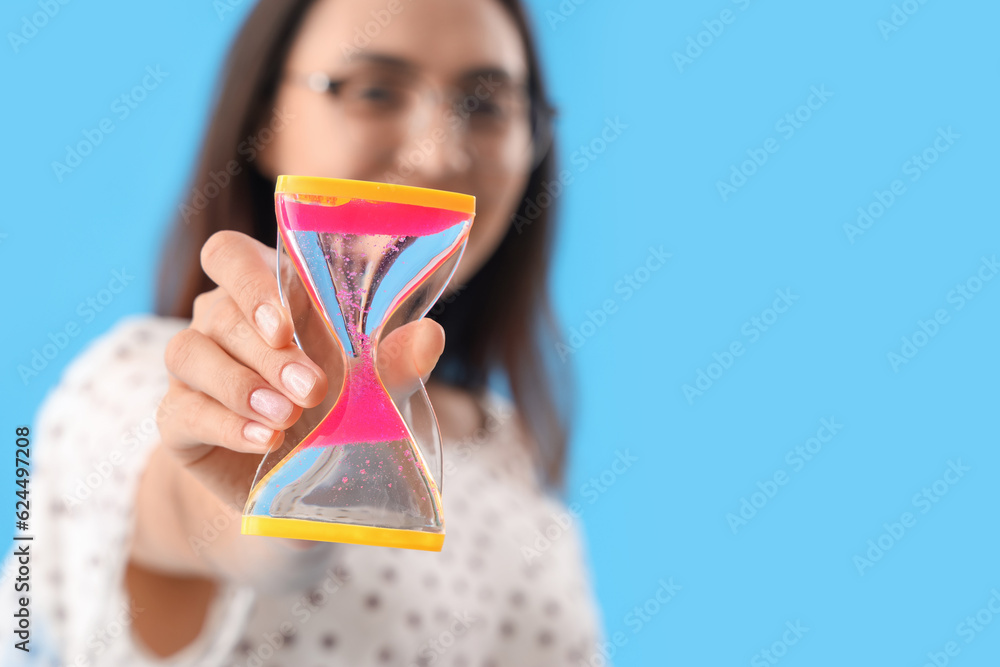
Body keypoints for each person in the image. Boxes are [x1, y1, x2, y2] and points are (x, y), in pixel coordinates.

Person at [1, 0, 604, 664]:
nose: (436, 153)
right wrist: (290, 478)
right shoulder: (142, 385)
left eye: (487, 105)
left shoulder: (506, 442)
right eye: (374, 89)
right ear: (265, 119)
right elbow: (203, 515)